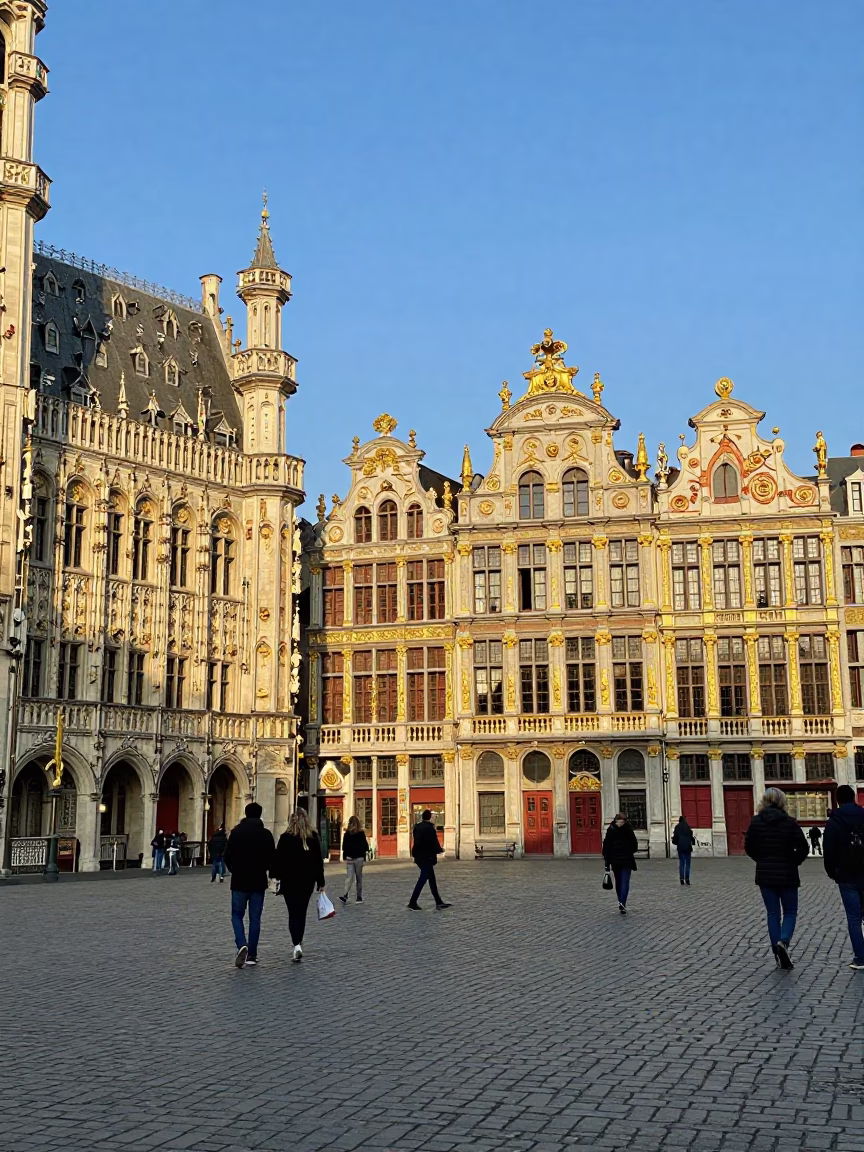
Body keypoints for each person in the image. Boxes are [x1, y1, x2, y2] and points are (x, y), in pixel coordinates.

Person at [745, 788, 809, 970]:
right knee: (790, 912)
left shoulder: (756, 822)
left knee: (773, 914)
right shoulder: (789, 822)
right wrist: (794, 861)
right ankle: (784, 941)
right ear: (782, 802)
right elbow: (803, 847)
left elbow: (748, 846)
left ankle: (777, 952)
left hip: (765, 874)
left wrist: (762, 860)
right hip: (787, 873)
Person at [224, 802, 276, 968]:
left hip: (239, 880)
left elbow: (227, 856)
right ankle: (252, 954)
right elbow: (272, 859)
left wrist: (234, 869)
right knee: (255, 918)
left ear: (246, 814)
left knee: (236, 915)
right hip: (258, 881)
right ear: (260, 814)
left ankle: (241, 944)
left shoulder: (236, 833)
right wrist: (268, 871)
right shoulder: (266, 834)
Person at [272, 810, 325, 963]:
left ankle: (296, 944)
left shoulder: (285, 838)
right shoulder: (313, 838)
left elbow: (277, 860)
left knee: (292, 913)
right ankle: (299, 942)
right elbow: (318, 862)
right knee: (301, 913)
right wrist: (320, 882)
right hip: (306, 882)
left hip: (289, 881)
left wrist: (276, 876)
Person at [822, 784, 864, 971]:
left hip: (846, 875)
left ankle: (861, 958)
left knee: (854, 918)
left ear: (837, 800)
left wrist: (834, 872)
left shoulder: (834, 821)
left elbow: (829, 850)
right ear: (854, 797)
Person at [408, 810, 451, 911]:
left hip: (419, 856)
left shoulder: (417, 827)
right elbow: (433, 842)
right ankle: (412, 902)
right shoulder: (430, 828)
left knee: (431, 879)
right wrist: (440, 850)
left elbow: (417, 842)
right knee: (423, 878)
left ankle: (438, 902)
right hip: (427, 856)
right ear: (429, 817)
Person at [603, 812, 638, 913]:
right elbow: (634, 846)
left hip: (618, 860)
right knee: (622, 882)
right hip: (621, 860)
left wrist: (607, 863)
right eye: (619, 822)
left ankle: (621, 902)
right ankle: (622, 902)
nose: (620, 824)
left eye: (621, 822)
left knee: (622, 882)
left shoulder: (611, 830)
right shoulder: (627, 830)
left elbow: (607, 848)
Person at [339, 815, 369, 905]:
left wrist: (346, 856)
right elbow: (365, 846)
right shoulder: (360, 833)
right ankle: (358, 897)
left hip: (351, 858)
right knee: (358, 878)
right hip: (358, 858)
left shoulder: (348, 834)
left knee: (349, 877)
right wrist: (363, 856)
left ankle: (346, 895)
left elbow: (344, 847)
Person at [672, 815, 695, 886]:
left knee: (682, 863)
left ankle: (681, 879)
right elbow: (691, 838)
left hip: (681, 847)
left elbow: (675, 838)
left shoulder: (677, 827)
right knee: (688, 864)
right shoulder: (688, 828)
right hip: (688, 847)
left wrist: (675, 842)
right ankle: (687, 879)